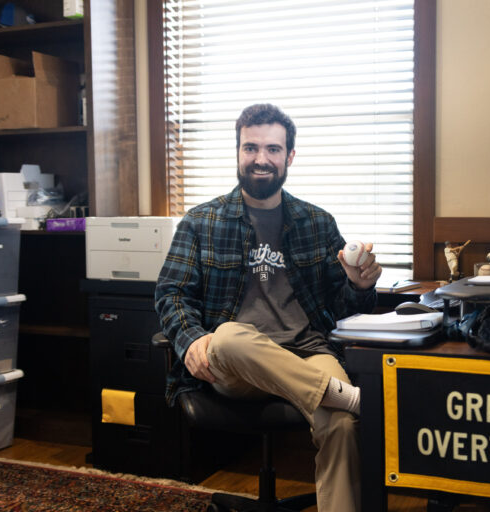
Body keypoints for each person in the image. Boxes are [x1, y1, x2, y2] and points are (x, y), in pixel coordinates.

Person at [155, 103, 382, 512]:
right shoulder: (201, 222)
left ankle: (345, 403)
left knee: (343, 424)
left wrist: (359, 286)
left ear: (289, 156)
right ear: (238, 152)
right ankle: (348, 396)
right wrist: (189, 341)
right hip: (235, 363)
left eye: (273, 149)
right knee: (227, 336)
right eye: (251, 148)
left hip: (307, 351)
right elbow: (171, 294)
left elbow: (342, 308)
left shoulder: (317, 222)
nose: (261, 159)